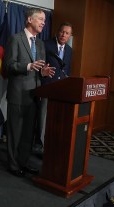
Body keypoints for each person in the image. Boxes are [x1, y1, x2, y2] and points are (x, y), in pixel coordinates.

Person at [3, 8, 55, 177]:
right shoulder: (15, 39)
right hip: (18, 95)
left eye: (45, 20)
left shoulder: (40, 44)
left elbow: (38, 68)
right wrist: (27, 66)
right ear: (29, 19)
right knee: (15, 133)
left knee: (27, 135)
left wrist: (43, 72)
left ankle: (23, 162)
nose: (43, 23)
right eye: (40, 19)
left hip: (34, 95)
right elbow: (8, 66)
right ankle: (13, 165)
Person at [34, 22, 73, 153]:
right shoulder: (45, 44)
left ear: (70, 36)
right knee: (43, 119)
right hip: (47, 87)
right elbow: (39, 65)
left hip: (61, 90)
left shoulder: (69, 50)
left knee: (57, 119)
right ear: (58, 32)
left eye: (67, 33)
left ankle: (51, 145)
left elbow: (67, 70)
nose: (63, 35)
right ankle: (39, 147)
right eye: (62, 31)